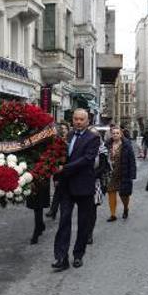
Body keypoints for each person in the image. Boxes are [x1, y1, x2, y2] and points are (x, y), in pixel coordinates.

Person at [52, 109, 100, 271]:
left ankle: (78, 255)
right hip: (66, 186)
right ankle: (61, 258)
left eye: (81, 119)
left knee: (83, 223)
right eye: (75, 119)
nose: (78, 122)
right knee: (64, 222)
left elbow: (87, 160)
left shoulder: (93, 138)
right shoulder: (69, 135)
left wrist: (63, 168)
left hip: (84, 186)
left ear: (87, 121)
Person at [105, 125, 137, 222]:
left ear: (121, 134)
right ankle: (113, 214)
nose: (115, 135)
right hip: (111, 173)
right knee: (111, 192)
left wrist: (132, 174)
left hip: (123, 172)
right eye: (113, 133)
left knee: (124, 194)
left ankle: (125, 208)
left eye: (117, 133)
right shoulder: (107, 144)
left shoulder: (126, 145)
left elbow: (132, 160)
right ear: (111, 134)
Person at [45, 122, 70, 220]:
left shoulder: (71, 140)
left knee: (61, 192)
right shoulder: (56, 142)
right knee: (58, 190)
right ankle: (54, 211)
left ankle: (54, 211)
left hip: (69, 170)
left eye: (65, 128)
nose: (63, 130)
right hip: (60, 171)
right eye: (61, 128)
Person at [27, 178, 50, 244]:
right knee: (36, 206)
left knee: (38, 205)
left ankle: (36, 232)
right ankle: (40, 225)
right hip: (31, 178)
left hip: (42, 178)